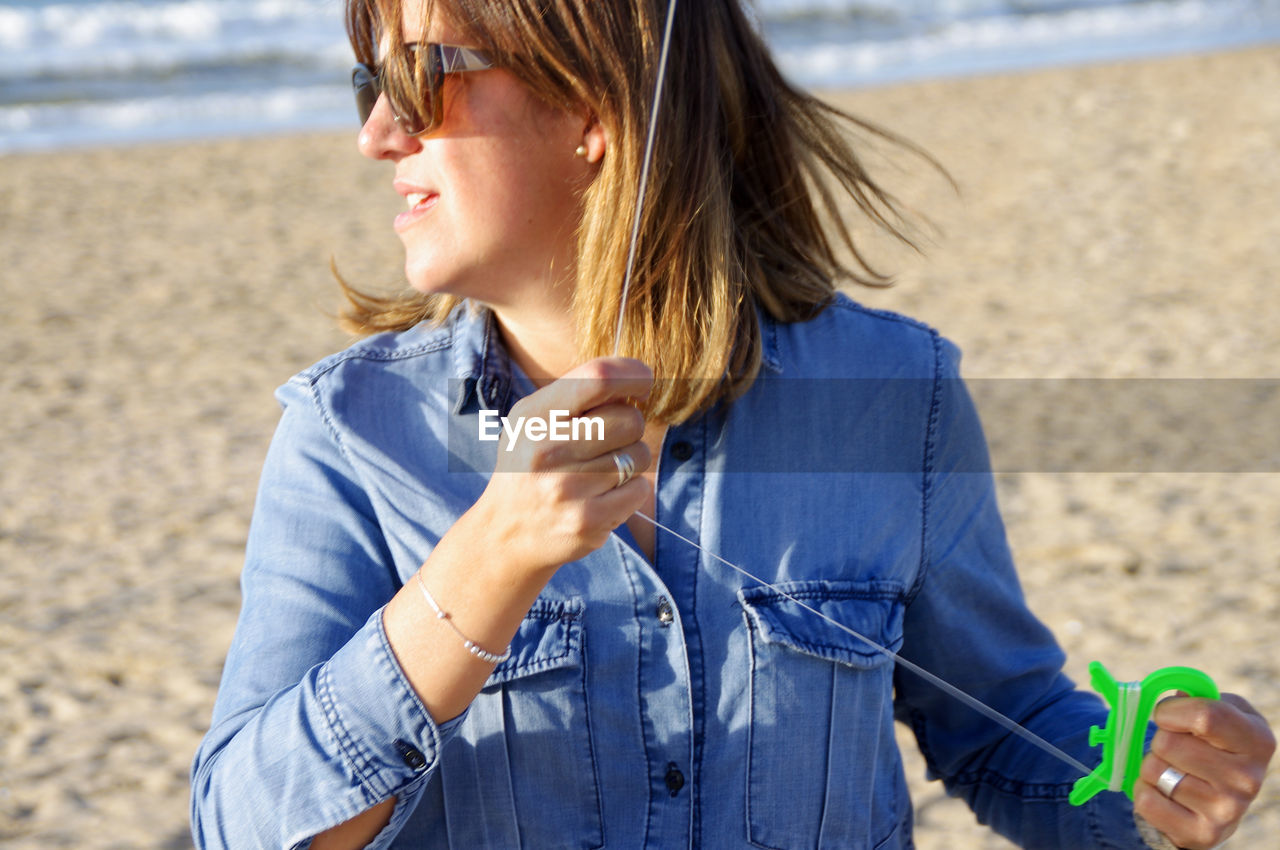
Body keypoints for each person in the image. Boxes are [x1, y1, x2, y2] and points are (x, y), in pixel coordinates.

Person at [189, 0, 1275, 847]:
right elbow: (241, 822)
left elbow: (1004, 732)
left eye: (419, 78)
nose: (379, 132)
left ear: (592, 108)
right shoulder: (349, 431)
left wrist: (1146, 785)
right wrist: (480, 566)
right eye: (367, 84)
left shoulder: (895, 389)